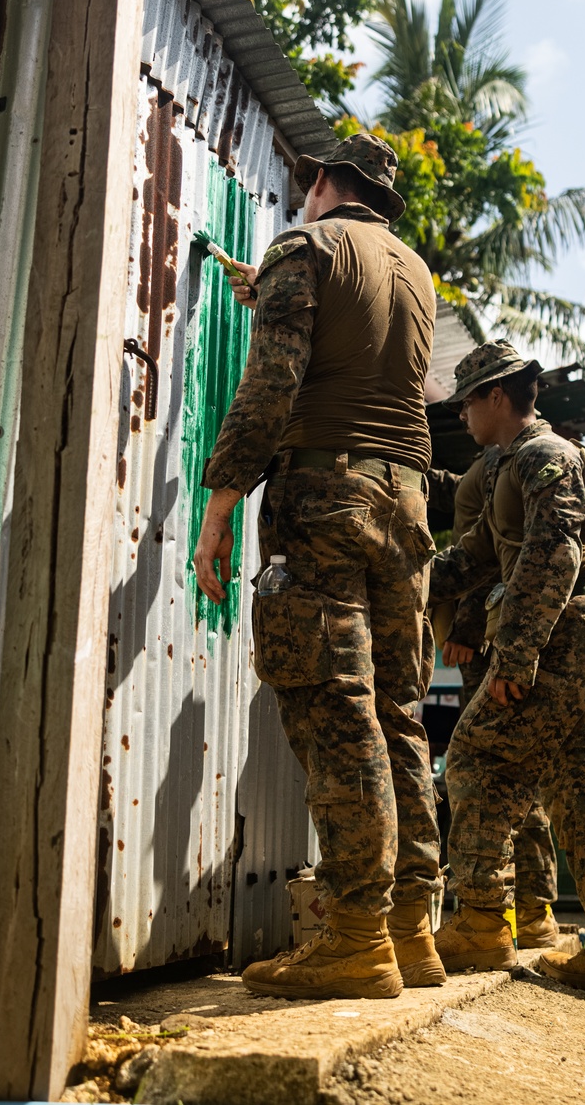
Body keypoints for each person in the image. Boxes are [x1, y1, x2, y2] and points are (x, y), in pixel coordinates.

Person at [193, 133, 444, 1001]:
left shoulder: (305, 245)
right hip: (406, 506)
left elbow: (276, 381)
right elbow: (358, 348)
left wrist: (222, 498)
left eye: (306, 184)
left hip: (326, 494)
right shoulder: (415, 270)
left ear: (325, 183)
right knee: (396, 711)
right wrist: (269, 294)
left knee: (334, 707)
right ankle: (412, 931)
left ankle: (354, 936)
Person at [427, 341, 585, 1010]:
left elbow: (556, 549)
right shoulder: (506, 467)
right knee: (582, 785)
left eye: (469, 400)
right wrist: (411, 579)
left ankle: (482, 920)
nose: (464, 413)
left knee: (472, 758)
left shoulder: (545, 456)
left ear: (497, 396)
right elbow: (475, 554)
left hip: (565, 633)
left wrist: (518, 651)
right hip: (578, 629)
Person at [427, 453, 560, 949]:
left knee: (491, 767)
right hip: (510, 638)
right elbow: (448, 487)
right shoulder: (495, 470)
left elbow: (489, 558)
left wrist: (463, 627)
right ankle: (534, 909)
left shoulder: (506, 469)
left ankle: (500, 914)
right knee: (522, 769)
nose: (462, 413)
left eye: (469, 402)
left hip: (493, 642)